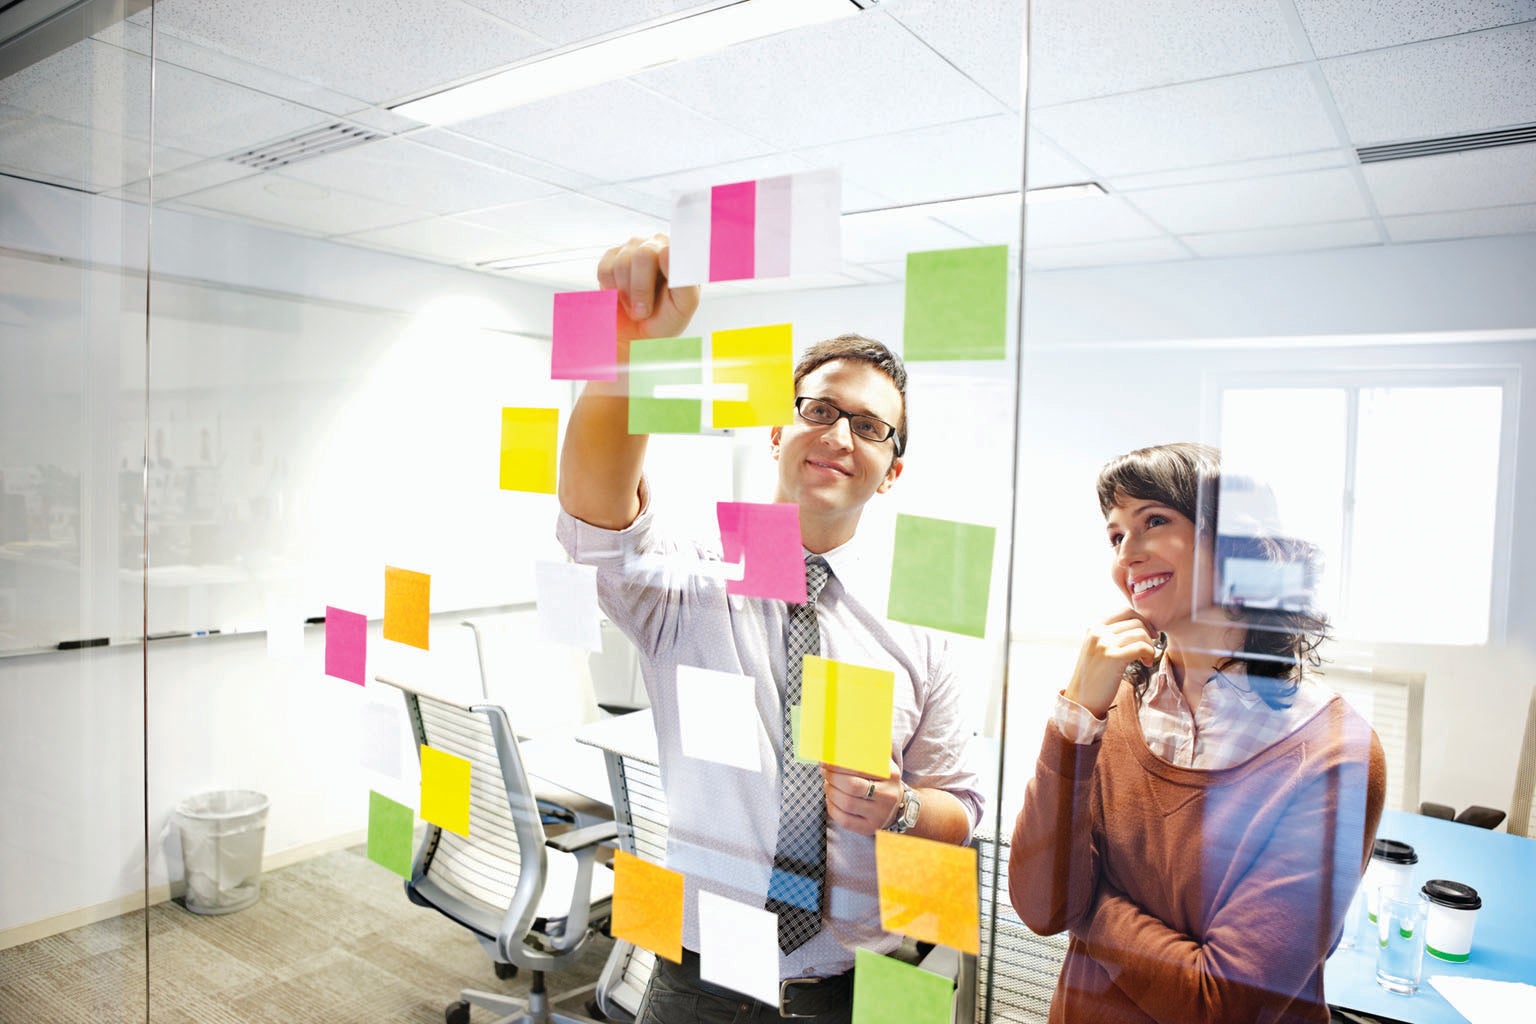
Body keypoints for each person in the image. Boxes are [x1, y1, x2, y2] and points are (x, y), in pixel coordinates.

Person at [557, 234, 983, 1023]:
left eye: (870, 425)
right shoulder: (695, 574)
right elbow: (593, 509)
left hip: (865, 981)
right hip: (702, 971)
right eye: (818, 410)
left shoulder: (923, 622)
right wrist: (634, 351)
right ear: (777, 434)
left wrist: (899, 810)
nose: (838, 434)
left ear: (893, 472)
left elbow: (958, 806)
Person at [1008, 442, 1386, 1024]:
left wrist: (1088, 904)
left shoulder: (1331, 750)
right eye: (1114, 536)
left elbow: (1217, 1004)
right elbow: (1040, 905)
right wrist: (1075, 715)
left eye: (1153, 521)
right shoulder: (1110, 709)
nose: (1126, 556)